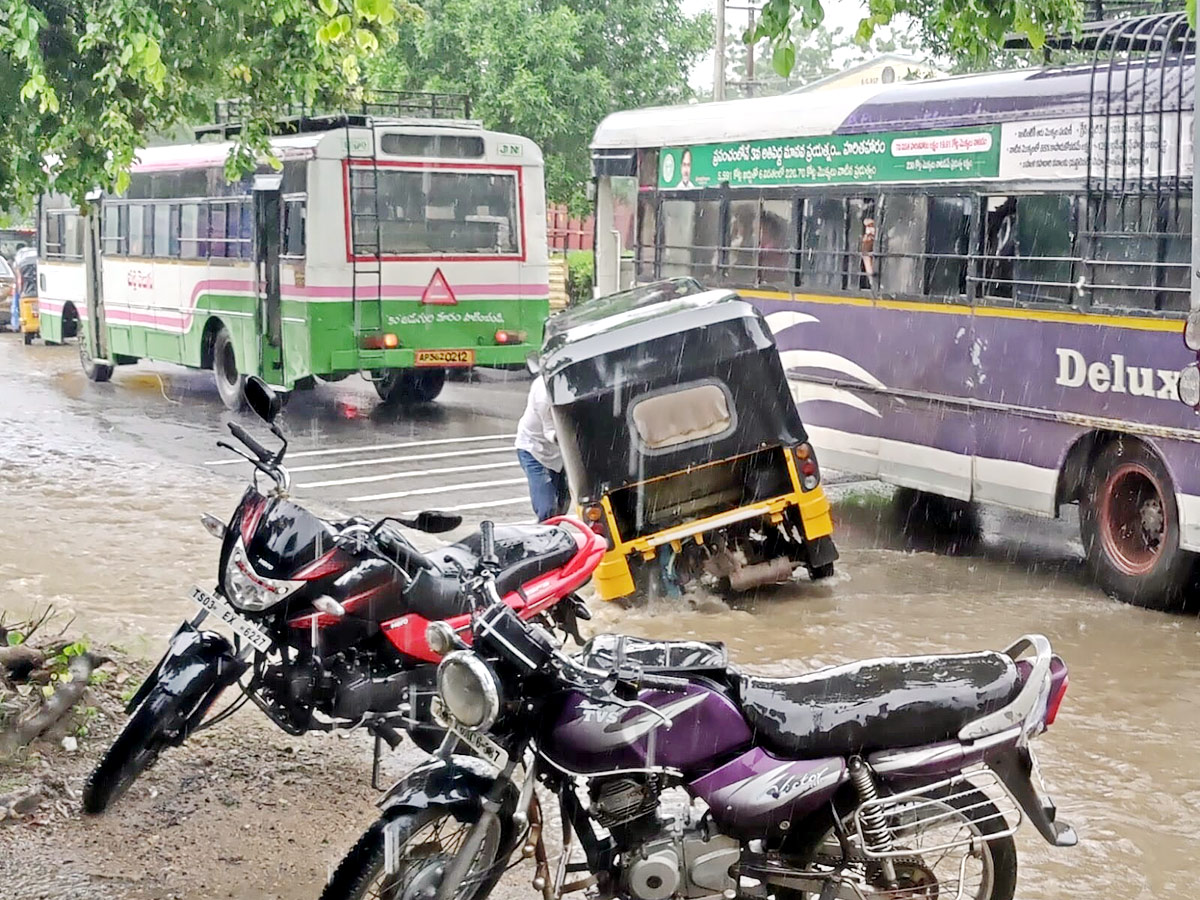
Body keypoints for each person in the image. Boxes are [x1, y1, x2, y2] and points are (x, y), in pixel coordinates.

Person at [515, 375, 569, 521]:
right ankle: (543, 539)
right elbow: (549, 431)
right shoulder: (544, 395)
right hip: (535, 450)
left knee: (563, 505)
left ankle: (550, 534)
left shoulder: (575, 383)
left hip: (561, 453)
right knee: (547, 509)